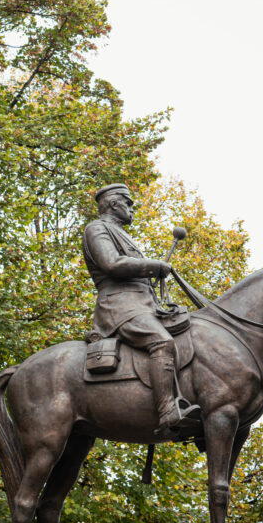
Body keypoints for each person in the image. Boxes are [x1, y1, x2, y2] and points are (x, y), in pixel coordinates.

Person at [82, 183, 200, 436]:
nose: (132, 208)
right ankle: (167, 410)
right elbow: (112, 264)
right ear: (114, 204)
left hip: (144, 306)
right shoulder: (96, 229)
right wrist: (154, 266)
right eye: (128, 203)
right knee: (162, 342)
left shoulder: (120, 233)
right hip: (120, 308)